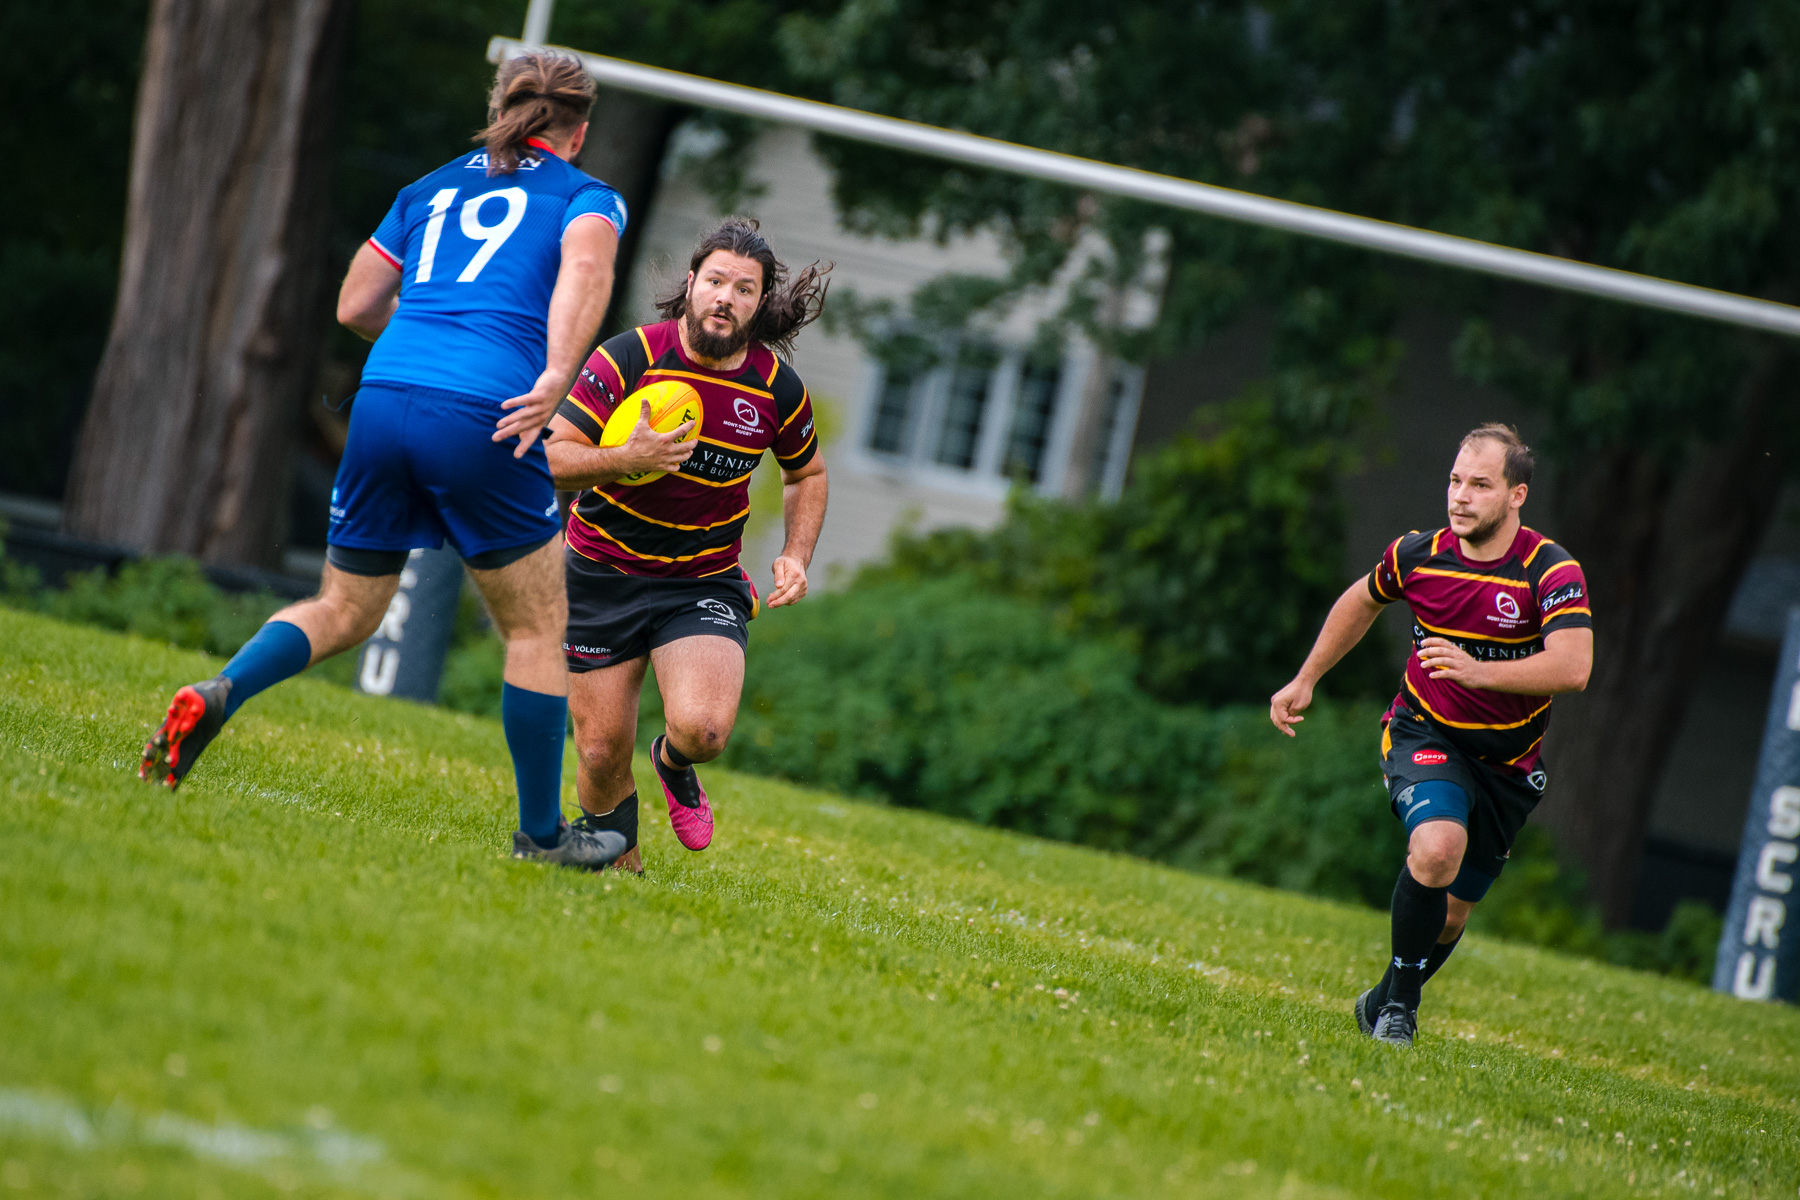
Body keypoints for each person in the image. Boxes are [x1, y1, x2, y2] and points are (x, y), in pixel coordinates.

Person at [140, 52, 631, 870]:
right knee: (537, 627)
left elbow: (355, 303)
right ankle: (543, 837)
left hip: (385, 395)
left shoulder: (431, 187)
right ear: (578, 133)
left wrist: (424, 345)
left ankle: (217, 691)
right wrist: (553, 373)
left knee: (344, 606)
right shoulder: (587, 195)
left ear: (500, 108)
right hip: (488, 409)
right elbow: (585, 269)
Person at [1268, 424, 1593, 1046]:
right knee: (1438, 849)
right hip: (1423, 732)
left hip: (1509, 763)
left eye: (1479, 484)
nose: (1460, 496)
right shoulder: (1418, 554)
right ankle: (1401, 1013)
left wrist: (1479, 670)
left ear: (1516, 495)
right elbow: (1360, 600)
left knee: (1452, 913)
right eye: (1454, 481)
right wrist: (1306, 677)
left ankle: (1384, 999)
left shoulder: (1549, 570)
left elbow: (1574, 667)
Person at [542, 218, 829, 870]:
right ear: (692, 283)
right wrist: (627, 456)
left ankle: (672, 763)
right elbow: (554, 457)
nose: (726, 297)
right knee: (597, 751)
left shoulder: (774, 387)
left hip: (701, 581)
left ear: (759, 305)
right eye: (717, 281)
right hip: (600, 572)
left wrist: (796, 553)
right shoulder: (630, 357)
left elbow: (806, 471)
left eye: (745, 289)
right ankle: (625, 871)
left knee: (703, 731)